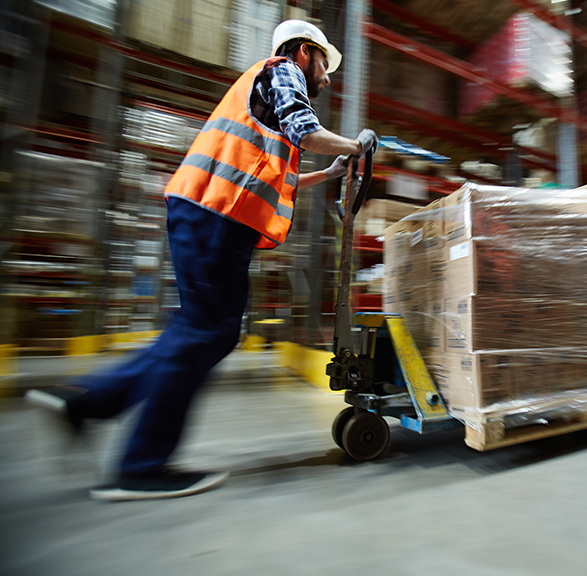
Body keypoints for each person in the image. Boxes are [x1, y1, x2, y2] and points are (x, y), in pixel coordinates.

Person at [26, 20, 378, 501]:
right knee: (207, 331)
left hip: (208, 212)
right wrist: (357, 146)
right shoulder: (282, 71)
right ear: (303, 53)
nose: (327, 76)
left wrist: (333, 170)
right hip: (217, 215)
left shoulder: (265, 101)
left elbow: (280, 179)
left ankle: (86, 402)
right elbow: (306, 130)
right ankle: (141, 466)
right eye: (324, 63)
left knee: (197, 329)